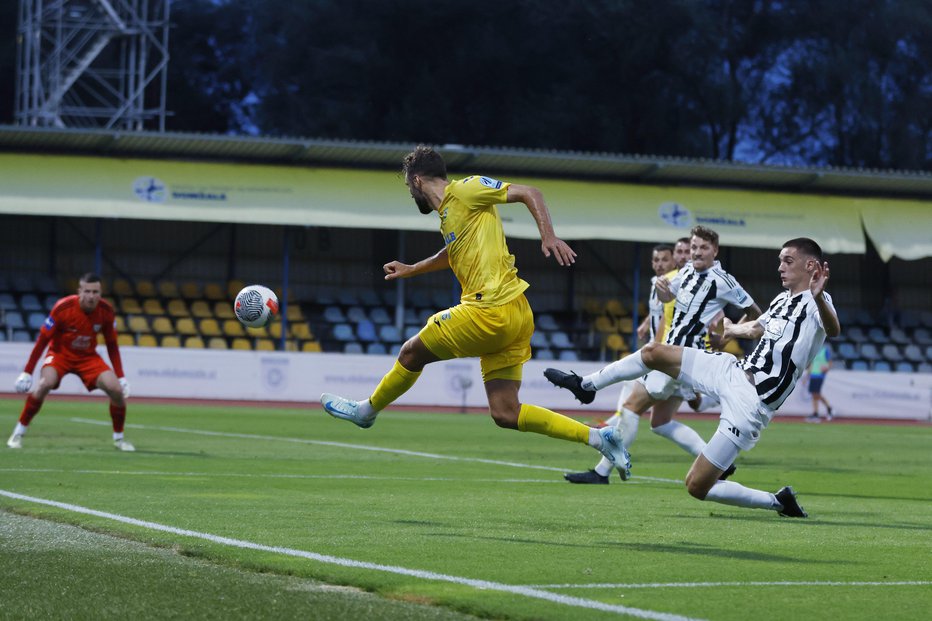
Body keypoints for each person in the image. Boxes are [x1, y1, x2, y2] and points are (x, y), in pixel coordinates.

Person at [319, 145, 630, 479]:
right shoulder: (449, 216)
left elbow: (529, 192)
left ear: (417, 180)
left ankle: (366, 410)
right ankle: (600, 437)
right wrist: (411, 269)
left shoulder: (466, 189)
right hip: (515, 315)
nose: (411, 193)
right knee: (506, 413)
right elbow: (452, 253)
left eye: (409, 186)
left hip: (489, 310)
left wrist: (548, 235)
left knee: (411, 352)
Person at [546, 237, 840, 517]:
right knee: (653, 353)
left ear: (811, 267)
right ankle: (585, 385)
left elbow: (834, 328)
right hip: (732, 370)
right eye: (780, 260)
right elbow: (754, 329)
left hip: (752, 404)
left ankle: (778, 501)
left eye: (787, 261)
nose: (780, 267)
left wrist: (819, 299)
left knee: (697, 486)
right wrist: (730, 329)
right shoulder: (781, 300)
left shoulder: (818, 302)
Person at [561, 226, 759, 484]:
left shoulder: (723, 280)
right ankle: (717, 462)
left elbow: (755, 311)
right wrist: (664, 290)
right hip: (678, 357)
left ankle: (601, 469)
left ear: (715, 251)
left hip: (678, 356)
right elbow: (669, 296)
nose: (697, 252)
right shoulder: (687, 271)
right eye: (694, 248)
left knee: (631, 409)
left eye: (703, 248)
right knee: (660, 421)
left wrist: (732, 332)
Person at [8, 273, 134, 451]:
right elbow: (42, 341)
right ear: (79, 291)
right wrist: (27, 372)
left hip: (88, 358)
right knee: (44, 384)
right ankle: (18, 433)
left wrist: (121, 376)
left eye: (96, 292)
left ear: (101, 293)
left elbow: (112, 345)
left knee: (116, 390)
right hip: (60, 355)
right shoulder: (63, 307)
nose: (91, 296)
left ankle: (119, 439)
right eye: (87, 291)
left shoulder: (106, 311)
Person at [805, 343, 834, 422]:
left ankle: (816, 413)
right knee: (815, 394)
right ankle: (826, 409)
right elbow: (811, 364)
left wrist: (826, 368)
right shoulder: (814, 351)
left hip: (820, 375)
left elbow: (830, 362)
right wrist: (807, 375)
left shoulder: (825, 350)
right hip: (813, 375)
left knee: (816, 393)